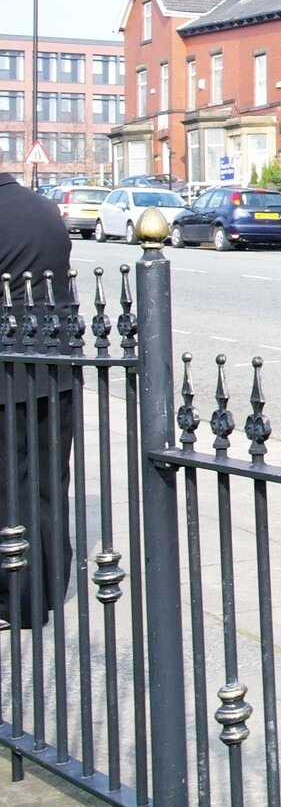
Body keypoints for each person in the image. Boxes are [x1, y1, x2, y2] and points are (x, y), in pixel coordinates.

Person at [0, 167, 79, 630]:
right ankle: (47, 589)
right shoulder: (43, 207)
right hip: (57, 365)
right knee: (48, 483)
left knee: (9, 485)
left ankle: (15, 599)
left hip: (8, 371)